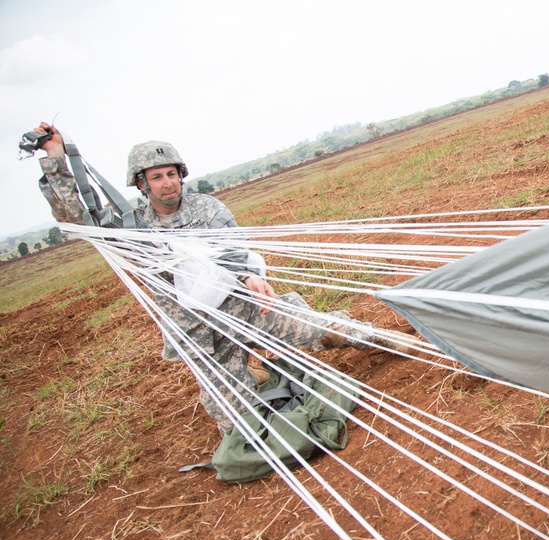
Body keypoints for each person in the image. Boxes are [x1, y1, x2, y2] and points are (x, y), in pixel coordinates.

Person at [32, 122, 418, 432]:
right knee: (237, 423)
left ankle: (393, 339)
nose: (168, 183)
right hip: (204, 337)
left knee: (324, 329)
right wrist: (54, 157)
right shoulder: (133, 228)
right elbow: (79, 219)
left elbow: (234, 250)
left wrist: (251, 277)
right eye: (157, 177)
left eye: (172, 174)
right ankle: (254, 371)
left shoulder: (207, 208)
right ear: (142, 184)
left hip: (245, 306)